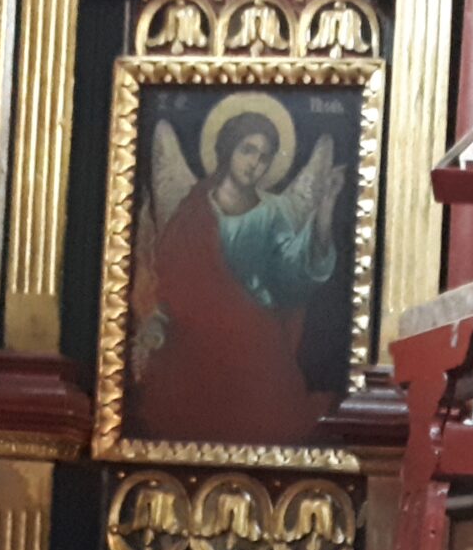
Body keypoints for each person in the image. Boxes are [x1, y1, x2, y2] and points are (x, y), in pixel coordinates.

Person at [134, 107, 343, 446]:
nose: (254, 163)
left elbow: (293, 272)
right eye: (248, 150)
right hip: (195, 339)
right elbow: (169, 277)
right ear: (228, 148)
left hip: (257, 340)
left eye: (264, 157)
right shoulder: (193, 207)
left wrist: (325, 213)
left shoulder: (272, 213)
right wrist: (157, 320)